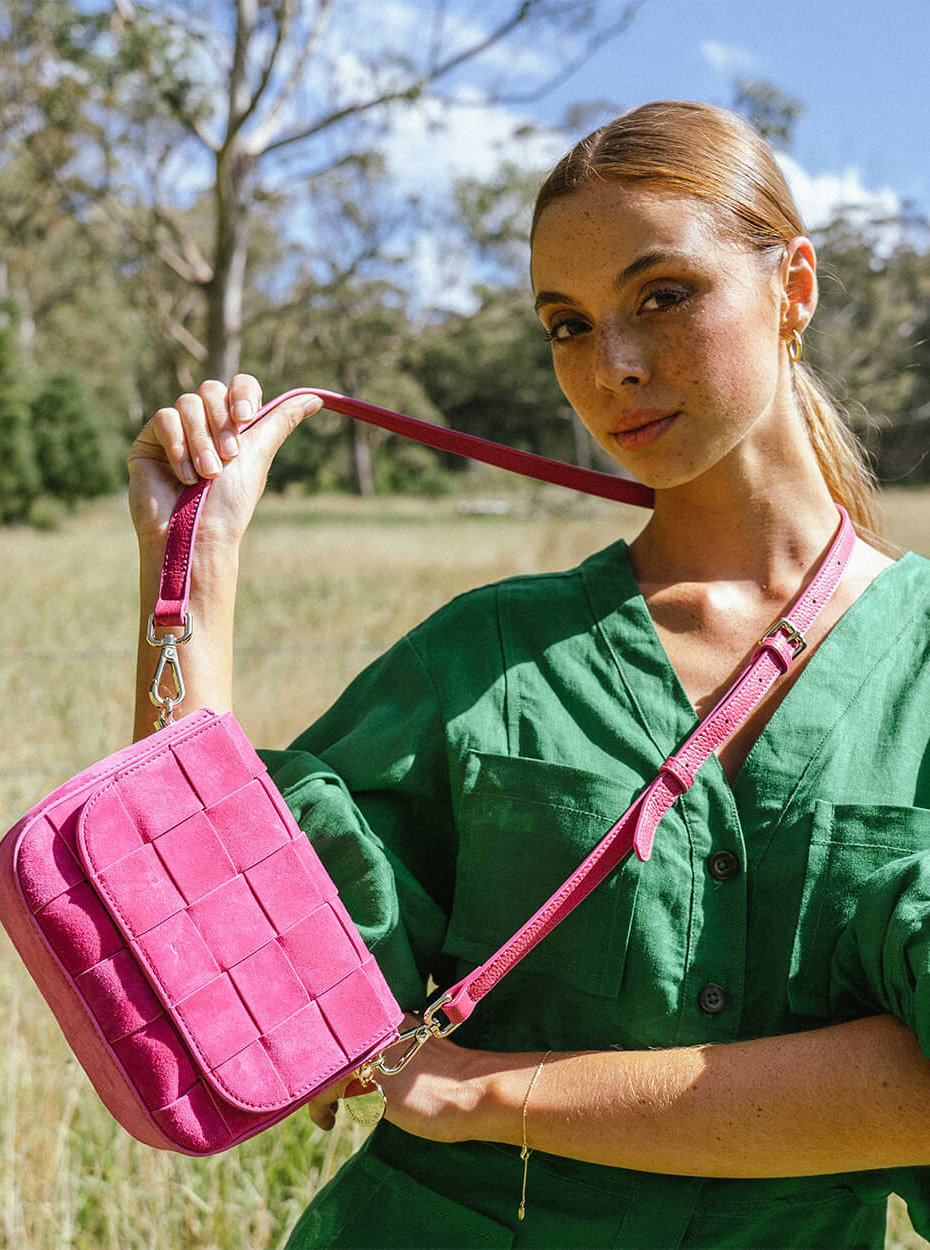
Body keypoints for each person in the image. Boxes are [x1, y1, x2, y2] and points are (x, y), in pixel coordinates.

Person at [127, 100, 930, 1249]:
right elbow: (215, 966)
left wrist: (486, 1091)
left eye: (663, 296)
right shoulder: (490, 653)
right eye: (566, 323)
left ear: (792, 286)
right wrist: (189, 571)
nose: (613, 366)